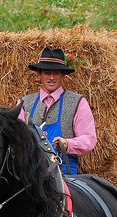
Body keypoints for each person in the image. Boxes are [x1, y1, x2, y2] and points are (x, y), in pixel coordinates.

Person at [17, 46, 97, 175]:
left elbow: (89, 139)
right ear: (39, 75)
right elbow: (16, 139)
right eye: (47, 73)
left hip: (64, 172)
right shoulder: (24, 103)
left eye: (56, 73)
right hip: (30, 172)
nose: (52, 78)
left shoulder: (77, 102)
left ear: (63, 75)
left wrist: (67, 144)